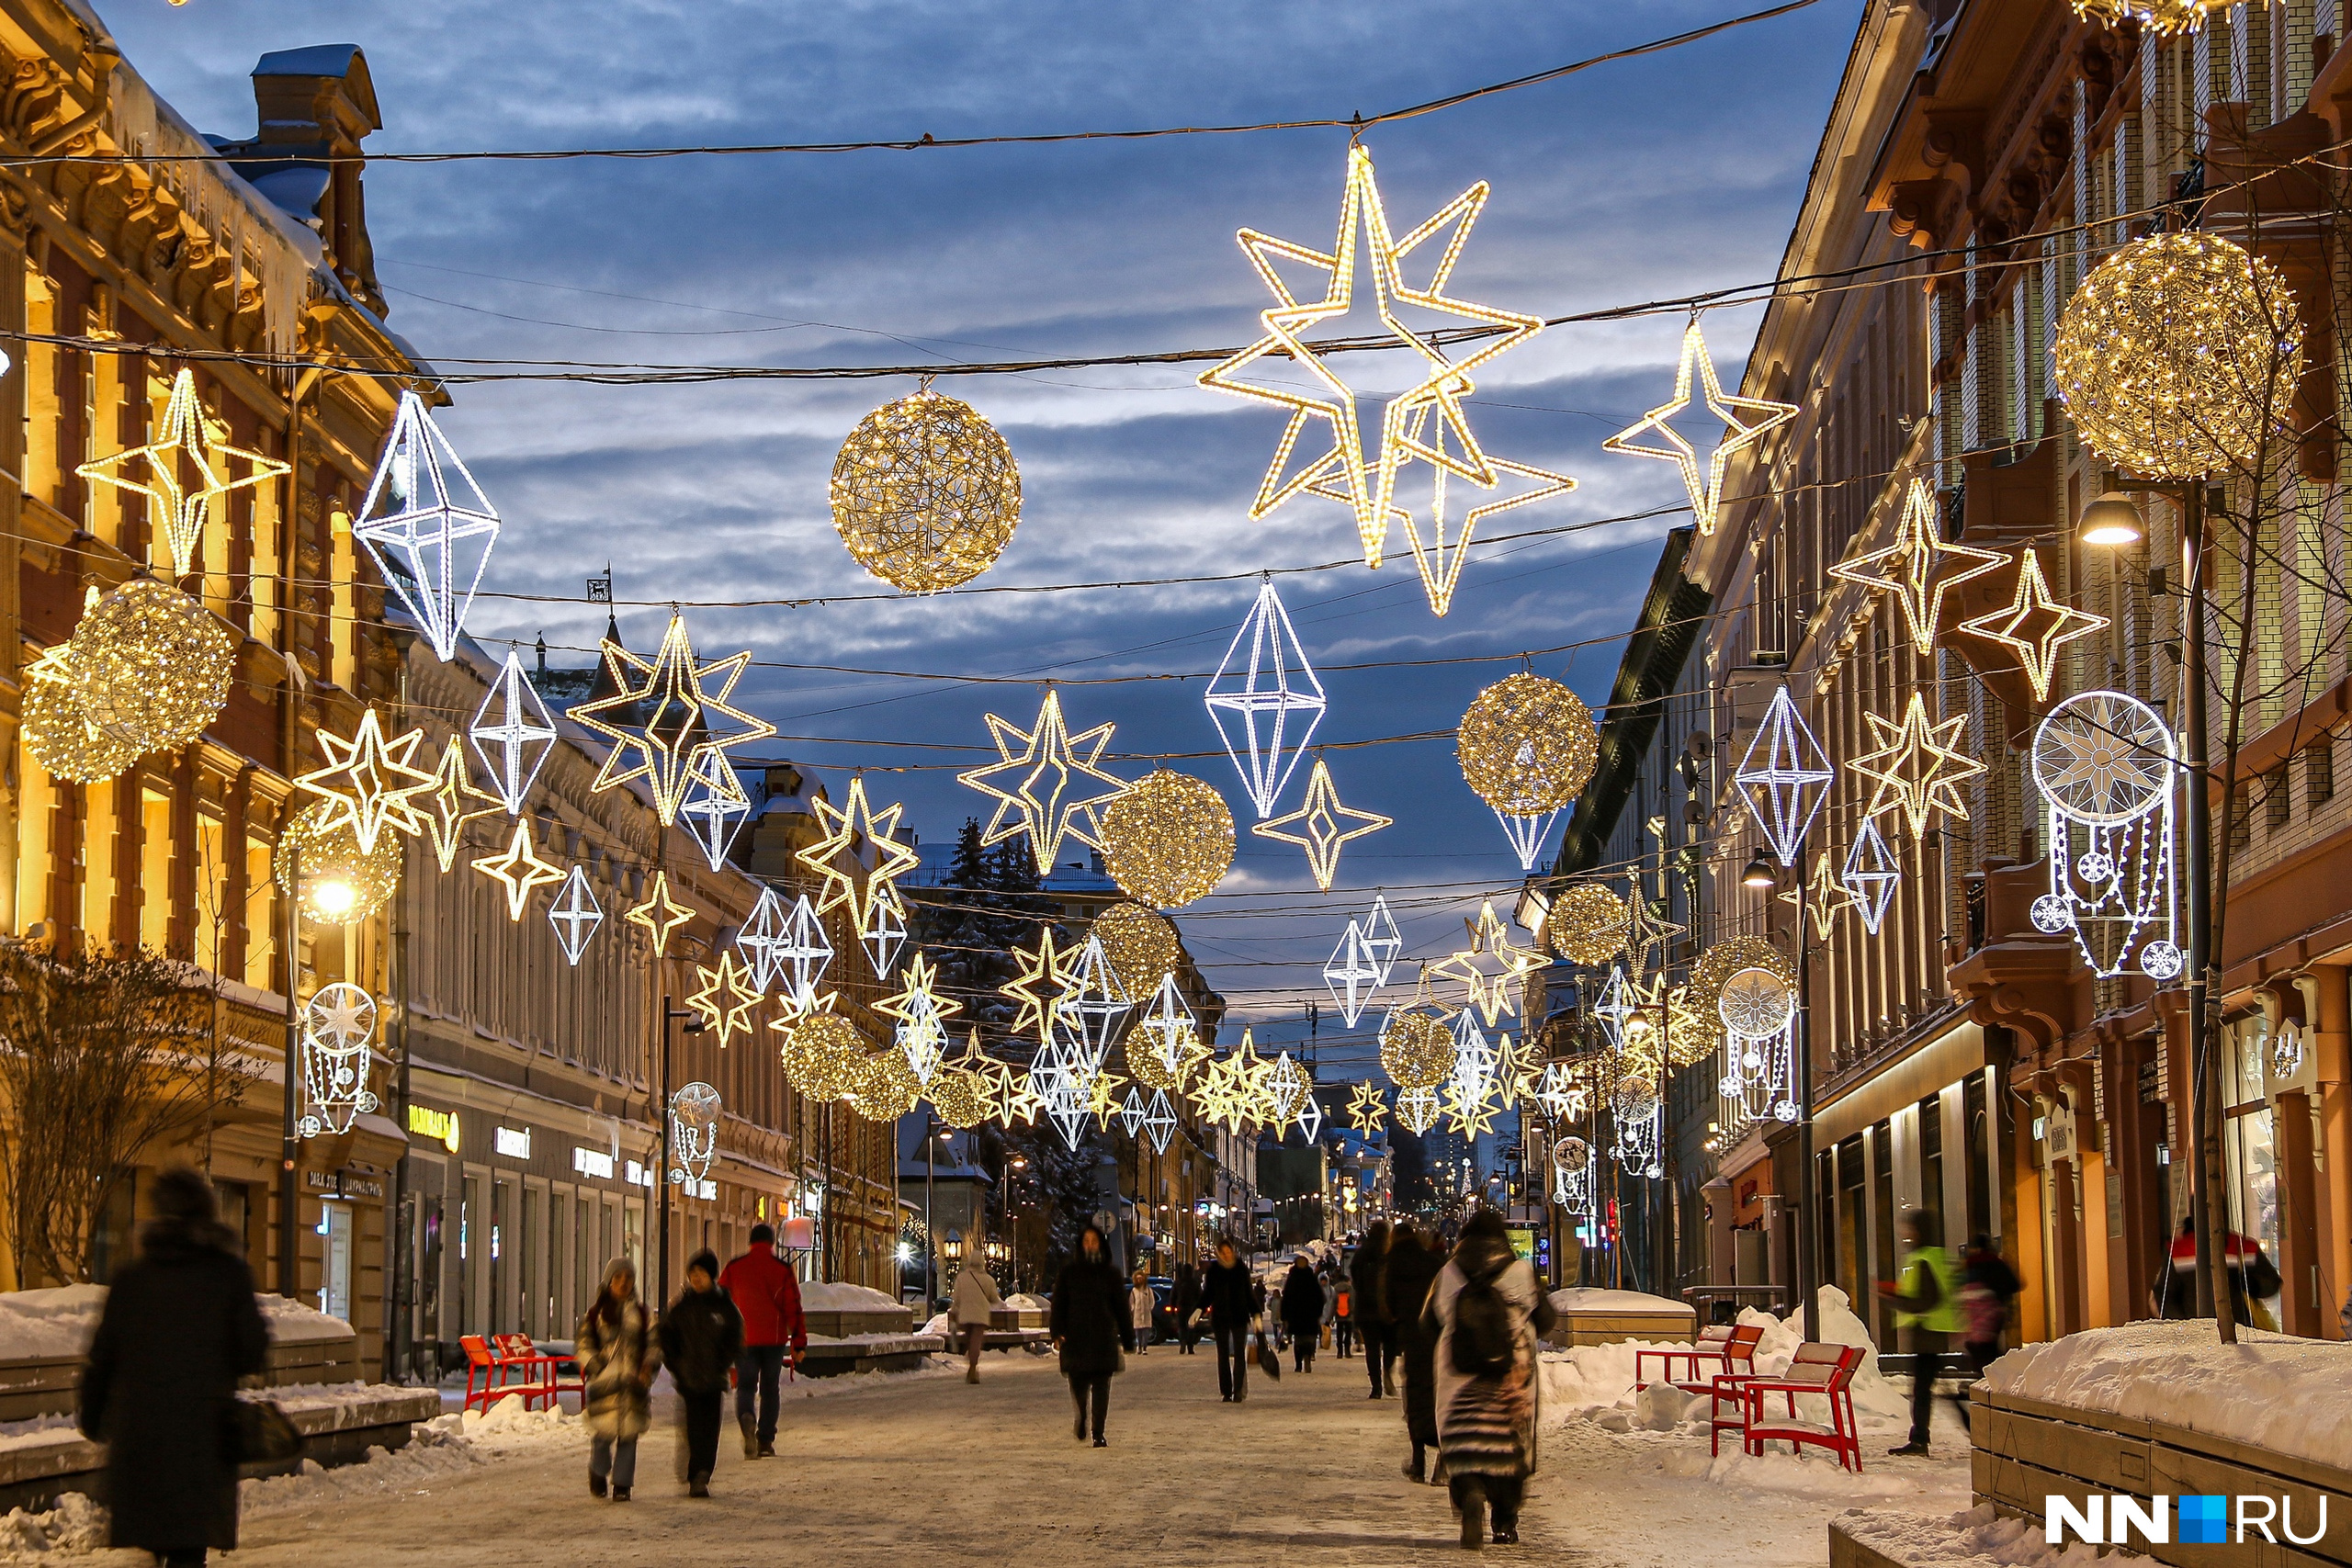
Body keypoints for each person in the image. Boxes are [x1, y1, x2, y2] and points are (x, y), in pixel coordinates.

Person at [78, 1167, 268, 1568]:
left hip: (140, 1438)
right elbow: (251, 1352)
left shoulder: (132, 1278)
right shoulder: (227, 1275)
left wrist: (94, 1418)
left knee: (153, 1536)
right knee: (188, 1548)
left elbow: (102, 1357)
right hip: (202, 1439)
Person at [1427, 1210, 1558, 1550]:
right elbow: (1545, 1319)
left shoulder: (1449, 1272)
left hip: (1459, 1373)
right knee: (1510, 1445)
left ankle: (1470, 1490)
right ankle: (1504, 1521)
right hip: (1512, 1373)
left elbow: (1428, 1322)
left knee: (1465, 1441)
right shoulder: (1520, 1271)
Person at [1875, 1209, 1961, 1458]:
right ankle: (1922, 1437)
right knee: (1929, 1388)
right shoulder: (1936, 1256)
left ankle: (1920, 1440)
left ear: (1920, 1231)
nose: (1906, 1232)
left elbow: (1925, 1300)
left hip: (1928, 1334)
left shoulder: (1923, 1259)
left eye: (1910, 1228)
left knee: (1923, 1390)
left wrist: (1893, 1298)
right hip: (1932, 1333)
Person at [660, 1249, 744, 1496]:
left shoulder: (724, 1307)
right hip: (688, 1379)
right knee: (691, 1427)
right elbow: (666, 1336)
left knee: (709, 1429)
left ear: (712, 1276)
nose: (697, 1278)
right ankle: (693, 1469)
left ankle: (702, 1474)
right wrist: (676, 1364)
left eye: (702, 1274)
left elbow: (735, 1336)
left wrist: (723, 1362)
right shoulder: (682, 1307)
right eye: (693, 1273)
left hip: (713, 1379)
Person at [718, 1223, 806, 1458]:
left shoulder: (734, 1267)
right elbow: (793, 1308)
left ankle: (747, 1415)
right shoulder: (782, 1269)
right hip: (773, 1338)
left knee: (745, 1385)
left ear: (751, 1241)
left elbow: (719, 1302)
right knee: (770, 1389)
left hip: (743, 1337)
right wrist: (799, 1342)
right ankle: (765, 1440)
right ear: (772, 1243)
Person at [578, 1257, 657, 1502]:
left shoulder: (643, 1314)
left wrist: (647, 1367)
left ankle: (622, 1484)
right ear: (609, 1281)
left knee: (629, 1436)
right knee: (602, 1436)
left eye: (628, 1278)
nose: (623, 1283)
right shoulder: (596, 1314)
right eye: (618, 1278)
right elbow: (584, 1345)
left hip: (634, 1386)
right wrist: (597, 1366)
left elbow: (654, 1344)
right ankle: (598, 1470)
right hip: (605, 1387)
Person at [1050, 1225, 1133, 1446]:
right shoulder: (1069, 1272)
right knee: (1077, 1384)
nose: (1090, 1245)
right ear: (1080, 1245)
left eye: (1094, 1240)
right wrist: (1056, 1332)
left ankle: (1098, 1432)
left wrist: (1127, 1337)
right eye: (1086, 1241)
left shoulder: (1110, 1273)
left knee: (1101, 1386)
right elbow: (1059, 1304)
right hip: (1075, 1337)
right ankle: (1082, 1417)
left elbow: (1121, 1308)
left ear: (1101, 1244)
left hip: (1102, 1337)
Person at [1387, 1222, 1446, 1483]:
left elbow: (1387, 1304)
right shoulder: (1433, 1263)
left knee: (1415, 1394)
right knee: (1440, 1393)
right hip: (1435, 1336)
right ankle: (1443, 1459)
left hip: (1410, 1337)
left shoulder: (1392, 1264)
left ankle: (1418, 1460)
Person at [1957, 1235, 2020, 1379]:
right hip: (1994, 1313)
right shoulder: (1997, 1263)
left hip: (1973, 1315)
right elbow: (2014, 1285)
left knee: (1977, 1346)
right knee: (1989, 1346)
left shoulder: (1968, 1265)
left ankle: (1986, 1377)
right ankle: (1994, 1376)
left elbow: (1959, 1289)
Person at [1201, 1239, 1256, 1402]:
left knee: (1239, 1354)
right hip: (1220, 1317)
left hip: (1239, 1316)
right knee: (1223, 1355)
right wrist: (1199, 1308)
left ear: (1232, 1251)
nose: (1226, 1255)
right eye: (1223, 1252)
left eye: (1228, 1251)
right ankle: (1226, 1390)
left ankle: (1238, 1390)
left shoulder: (1241, 1269)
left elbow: (1248, 1293)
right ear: (1219, 1253)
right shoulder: (1214, 1271)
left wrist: (1256, 1313)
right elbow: (1208, 1293)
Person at [1352, 1220, 1394, 1398]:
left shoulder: (1361, 1254)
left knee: (1372, 1349)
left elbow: (1354, 1277)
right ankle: (1388, 1370)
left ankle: (1376, 1385)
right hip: (1387, 1308)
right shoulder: (1389, 1253)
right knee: (1391, 1344)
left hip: (1366, 1309)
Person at [948, 1253, 1004, 1382]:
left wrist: (954, 1311)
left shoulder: (961, 1278)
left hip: (965, 1314)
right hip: (980, 1315)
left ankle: (972, 1366)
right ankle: (973, 1368)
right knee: (976, 1342)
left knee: (970, 1340)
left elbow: (956, 1297)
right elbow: (994, 1298)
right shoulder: (988, 1280)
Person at [1281, 1255, 1325, 1372]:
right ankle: (1308, 1356)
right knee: (1309, 1338)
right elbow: (1320, 1297)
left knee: (1298, 1340)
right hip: (1310, 1315)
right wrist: (1318, 1312)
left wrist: (1284, 1316)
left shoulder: (1292, 1279)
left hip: (1296, 1315)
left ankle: (1299, 1363)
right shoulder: (1311, 1278)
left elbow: (1286, 1298)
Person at [1173, 1261, 1204, 1355]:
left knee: (1182, 1327)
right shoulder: (1195, 1282)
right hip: (1192, 1308)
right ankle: (1190, 1346)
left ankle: (1182, 1342)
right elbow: (1199, 1295)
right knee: (1191, 1327)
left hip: (1181, 1307)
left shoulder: (1178, 1282)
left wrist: (1173, 1307)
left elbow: (1173, 1296)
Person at [1129, 1269, 1158, 1356]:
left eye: (1141, 1278)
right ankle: (1139, 1346)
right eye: (1138, 1279)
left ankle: (1145, 1347)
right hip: (1137, 1314)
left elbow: (1152, 1301)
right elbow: (1131, 1301)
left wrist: (1149, 1308)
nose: (1140, 1280)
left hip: (1146, 1313)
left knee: (1146, 1332)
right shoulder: (1134, 1290)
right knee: (1138, 1332)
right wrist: (1133, 1309)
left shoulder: (1148, 1290)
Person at [1333, 1273, 1356, 1358]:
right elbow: (1352, 1301)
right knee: (1348, 1333)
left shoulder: (1335, 1288)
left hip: (1339, 1314)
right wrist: (1352, 1311)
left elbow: (1333, 1302)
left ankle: (1339, 1352)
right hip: (1349, 1315)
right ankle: (1347, 1351)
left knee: (1339, 1333)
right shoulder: (1350, 1288)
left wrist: (1331, 1316)